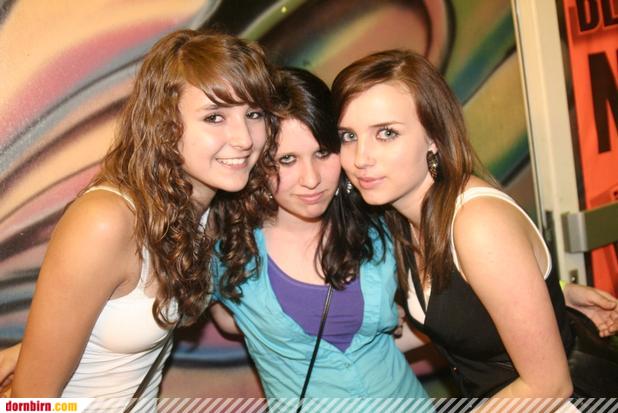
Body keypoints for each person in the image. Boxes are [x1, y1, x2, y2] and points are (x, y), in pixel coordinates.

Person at [7, 28, 276, 408]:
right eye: (214, 117)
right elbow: (31, 400)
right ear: (164, 125)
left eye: (254, 114)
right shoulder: (106, 222)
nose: (244, 138)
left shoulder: (210, 211)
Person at [332, 49, 618, 399]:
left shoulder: (477, 223)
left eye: (387, 133)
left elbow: (549, 385)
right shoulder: (400, 218)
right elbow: (468, 309)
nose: (361, 158)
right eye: (348, 136)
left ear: (434, 136)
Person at [207, 67, 429, 406]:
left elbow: (445, 318)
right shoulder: (229, 251)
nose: (311, 179)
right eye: (287, 160)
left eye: (323, 153)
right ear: (258, 162)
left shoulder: (382, 225)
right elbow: (223, 317)